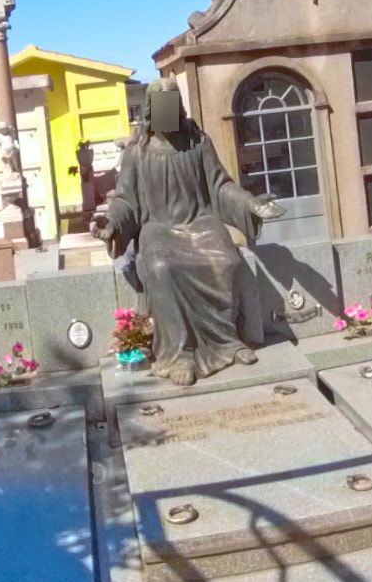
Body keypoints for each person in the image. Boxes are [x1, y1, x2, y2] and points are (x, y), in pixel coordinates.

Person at [102, 89, 295, 384]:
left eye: (172, 105)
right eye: (161, 107)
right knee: (161, 268)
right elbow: (125, 200)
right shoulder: (136, 152)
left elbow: (220, 186)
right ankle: (179, 353)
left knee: (227, 261)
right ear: (151, 111)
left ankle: (228, 342)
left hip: (201, 222)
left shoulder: (198, 144)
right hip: (159, 227)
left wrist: (250, 204)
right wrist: (111, 223)